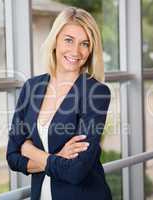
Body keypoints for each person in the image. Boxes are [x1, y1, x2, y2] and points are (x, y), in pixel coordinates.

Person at [6, 7, 112, 200]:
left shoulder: (96, 93)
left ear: (91, 49)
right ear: (55, 40)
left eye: (85, 44)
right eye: (69, 40)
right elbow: (13, 157)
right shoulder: (32, 87)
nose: (76, 51)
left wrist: (29, 150)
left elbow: (76, 171)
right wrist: (59, 157)